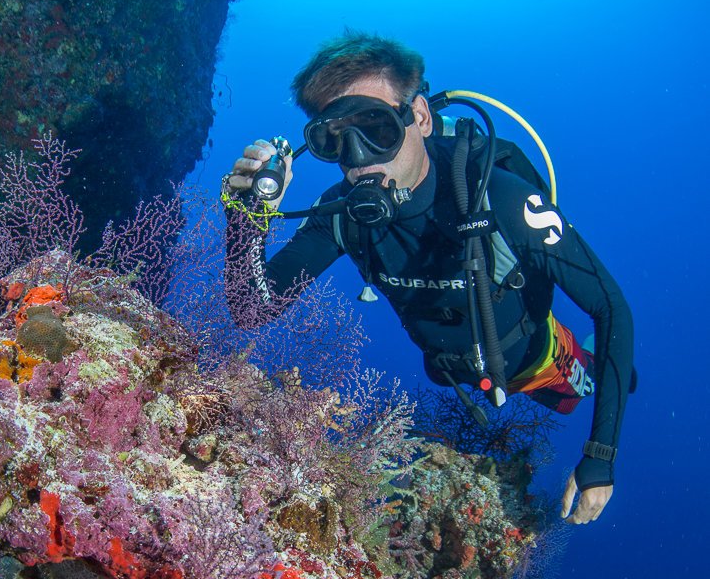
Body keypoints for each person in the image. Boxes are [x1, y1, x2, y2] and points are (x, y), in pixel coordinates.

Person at [220, 31, 634, 525]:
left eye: (374, 127)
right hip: (454, 372)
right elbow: (252, 309)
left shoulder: (499, 198)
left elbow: (610, 306)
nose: (358, 158)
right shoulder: (343, 215)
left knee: (577, 391)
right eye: (334, 140)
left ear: (417, 116)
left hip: (538, 359)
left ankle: (602, 367)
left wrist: (600, 457)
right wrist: (246, 222)